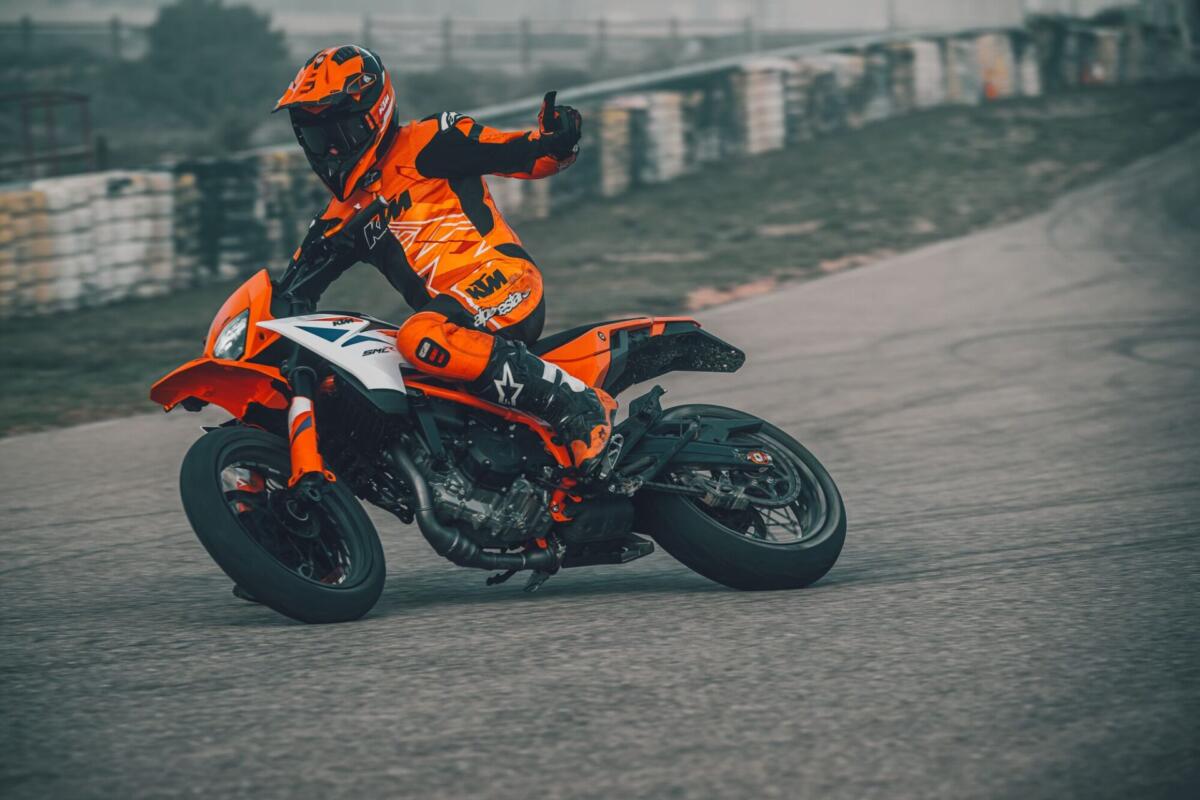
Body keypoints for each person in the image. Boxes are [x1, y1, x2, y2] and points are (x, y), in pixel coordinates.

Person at [274, 44, 615, 471]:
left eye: (337, 135)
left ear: (373, 114)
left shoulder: (430, 139)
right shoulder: (339, 217)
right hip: (452, 324)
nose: (330, 152)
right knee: (373, 363)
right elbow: (290, 293)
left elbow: (517, 153)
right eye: (316, 138)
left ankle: (580, 406)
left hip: (505, 281)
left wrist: (555, 142)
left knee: (418, 336)